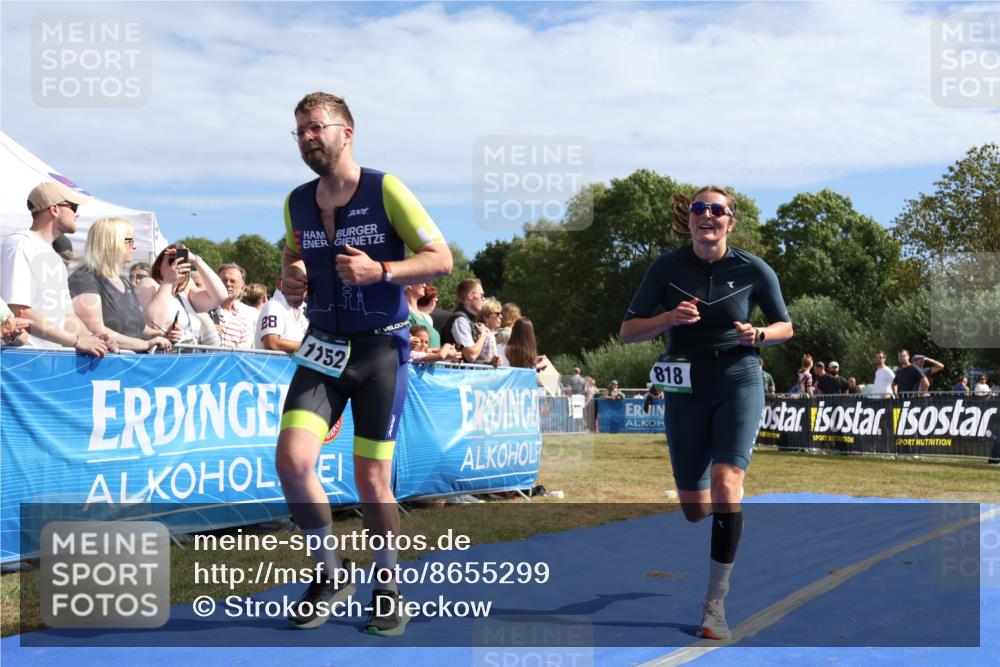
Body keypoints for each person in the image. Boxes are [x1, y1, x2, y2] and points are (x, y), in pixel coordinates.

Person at [276, 91, 452, 636]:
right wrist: (291, 278)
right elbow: (290, 254)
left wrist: (382, 271)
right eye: (299, 129)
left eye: (316, 127)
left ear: (347, 132)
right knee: (291, 460)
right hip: (323, 346)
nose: (308, 137)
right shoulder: (297, 201)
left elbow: (442, 259)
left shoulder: (385, 188)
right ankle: (330, 575)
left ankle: (389, 584)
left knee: (372, 479)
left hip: (380, 348)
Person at [619, 186, 793, 641]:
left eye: (717, 210)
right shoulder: (667, 267)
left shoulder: (753, 268)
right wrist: (667, 320)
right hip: (686, 387)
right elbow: (627, 332)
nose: (707, 216)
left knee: (726, 484)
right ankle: (717, 503)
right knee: (695, 509)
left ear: (730, 221)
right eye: (699, 209)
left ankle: (714, 604)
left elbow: (786, 326)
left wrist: (758, 334)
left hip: (739, 378)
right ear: (690, 220)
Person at [0, 181, 112, 356]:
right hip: (23, 362)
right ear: (54, 209)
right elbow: (20, 312)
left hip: (51, 360)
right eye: (73, 207)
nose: (77, 215)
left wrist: (94, 338)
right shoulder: (20, 245)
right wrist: (76, 341)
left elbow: (66, 317)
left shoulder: (54, 258)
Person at [69, 218, 172, 353]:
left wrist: (159, 335)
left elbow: (138, 327)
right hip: (105, 368)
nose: (133, 247)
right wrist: (144, 344)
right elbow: (96, 329)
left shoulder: (125, 283)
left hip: (131, 364)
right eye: (130, 241)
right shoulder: (83, 278)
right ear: (112, 243)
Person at [136, 244, 226, 347]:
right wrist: (168, 281)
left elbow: (220, 296)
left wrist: (195, 261)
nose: (176, 265)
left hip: (191, 356)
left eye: (183, 262)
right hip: (165, 356)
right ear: (159, 265)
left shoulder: (184, 294)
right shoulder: (149, 284)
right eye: (171, 261)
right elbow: (152, 324)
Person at [255, 273, 308, 352]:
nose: (302, 287)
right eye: (297, 281)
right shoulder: (273, 306)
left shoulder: (301, 316)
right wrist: (309, 348)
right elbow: (272, 344)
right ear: (280, 283)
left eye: (305, 283)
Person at [442, 279, 491, 363]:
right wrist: (483, 334)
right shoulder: (460, 320)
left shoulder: (468, 320)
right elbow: (471, 355)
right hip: (456, 374)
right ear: (470, 296)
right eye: (481, 295)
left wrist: (490, 362)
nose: (484, 299)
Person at [214, 263, 259, 349]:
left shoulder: (251, 315)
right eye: (224, 280)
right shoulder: (204, 308)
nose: (228, 284)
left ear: (242, 288)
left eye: (233, 281)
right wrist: (206, 332)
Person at [405, 282, 441, 349]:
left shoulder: (424, 316)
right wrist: (440, 353)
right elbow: (411, 345)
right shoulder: (405, 313)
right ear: (409, 284)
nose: (424, 285)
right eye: (421, 281)